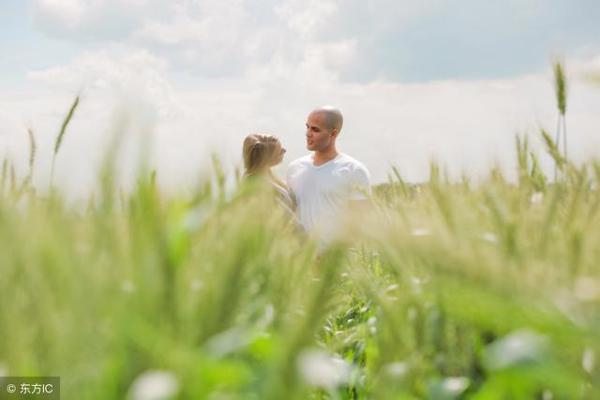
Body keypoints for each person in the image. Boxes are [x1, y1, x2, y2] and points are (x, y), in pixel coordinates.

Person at [286, 106, 371, 245]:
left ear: (333, 133)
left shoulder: (354, 170)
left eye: (315, 129)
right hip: (302, 261)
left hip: (338, 262)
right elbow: (291, 216)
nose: (308, 133)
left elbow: (359, 222)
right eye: (307, 127)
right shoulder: (294, 168)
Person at [242, 133, 295, 215]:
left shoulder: (266, 173)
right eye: (280, 151)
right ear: (267, 159)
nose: (284, 150)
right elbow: (288, 218)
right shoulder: (260, 188)